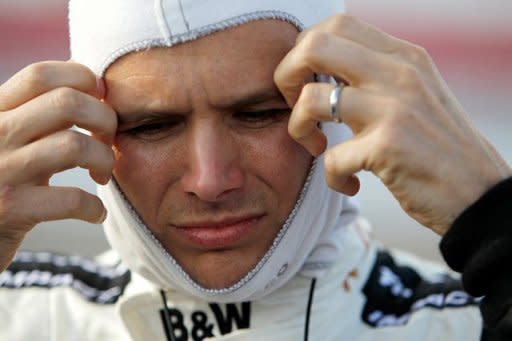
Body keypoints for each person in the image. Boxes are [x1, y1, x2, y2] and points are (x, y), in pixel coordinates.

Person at [0, 0, 511, 340]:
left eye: (259, 114)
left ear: (340, 104)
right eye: (151, 126)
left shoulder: (472, 319)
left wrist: (495, 221)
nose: (210, 180)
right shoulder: (20, 314)